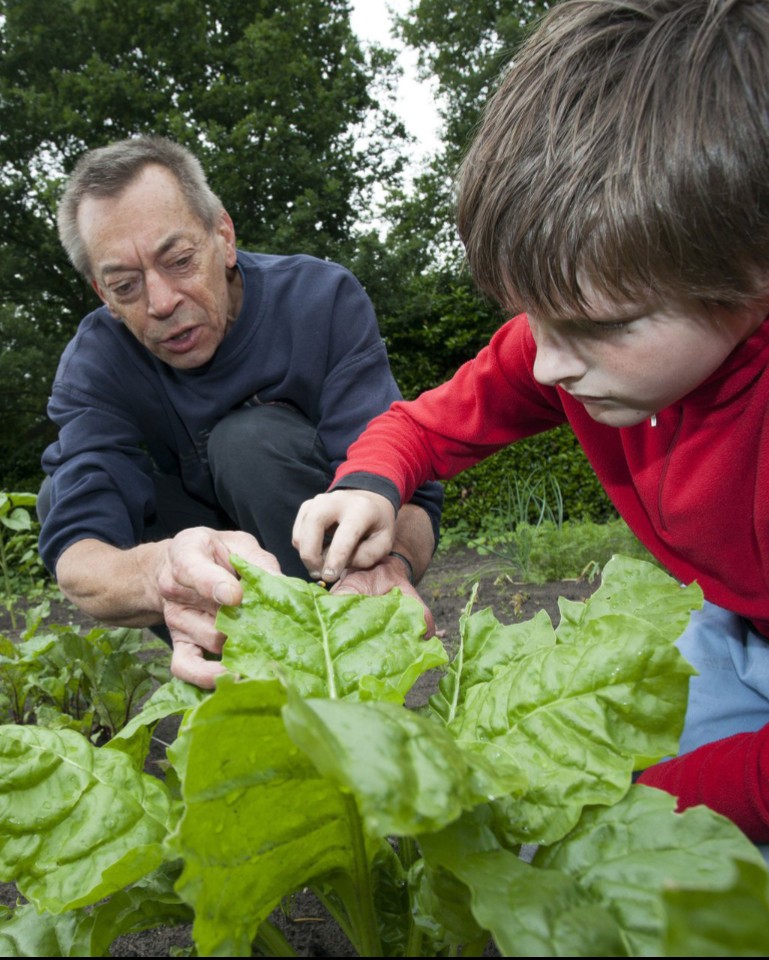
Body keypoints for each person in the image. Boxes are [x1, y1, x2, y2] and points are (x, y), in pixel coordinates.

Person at [292, 0, 769, 844]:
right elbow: (420, 428)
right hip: (730, 629)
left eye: (597, 327)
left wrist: (642, 810)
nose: (545, 364)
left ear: (751, 274)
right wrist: (368, 486)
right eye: (528, 316)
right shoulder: (563, 346)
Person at [40, 135, 442, 688]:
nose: (160, 302)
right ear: (103, 296)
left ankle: (342, 660)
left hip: (325, 553)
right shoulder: (95, 363)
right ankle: (236, 671)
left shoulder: (319, 300)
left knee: (249, 443)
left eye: (179, 261)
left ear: (223, 237)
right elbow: (79, 556)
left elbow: (412, 492)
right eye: (126, 286)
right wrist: (163, 571)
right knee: (58, 493)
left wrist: (391, 564)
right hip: (201, 565)